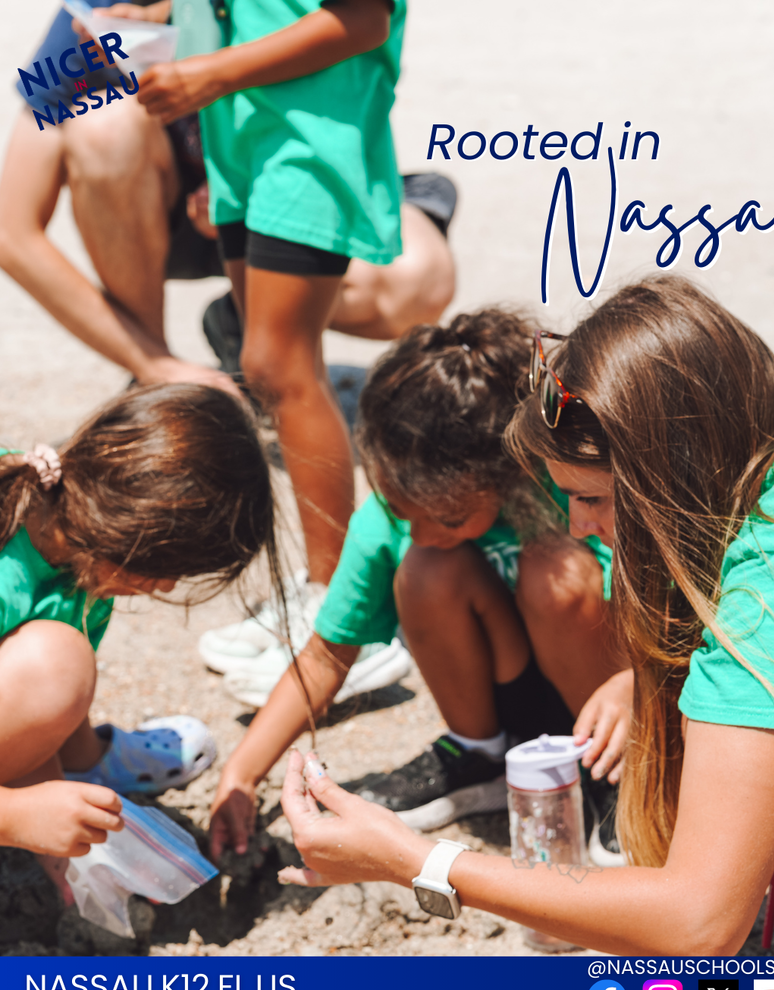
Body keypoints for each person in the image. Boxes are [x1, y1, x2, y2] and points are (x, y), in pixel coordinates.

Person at [276, 276, 774, 955]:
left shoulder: (767, 607)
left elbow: (697, 923)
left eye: (592, 496)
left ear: (673, 477)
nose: (578, 525)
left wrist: (417, 860)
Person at [209, 310, 628, 861]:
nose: (422, 530)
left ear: (506, 471)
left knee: (557, 572)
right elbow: (326, 655)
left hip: (613, 697)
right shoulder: (397, 516)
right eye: (407, 512)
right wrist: (240, 774)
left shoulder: (571, 487)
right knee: (428, 567)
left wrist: (637, 692)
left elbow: (669, 617)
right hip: (512, 691)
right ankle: (479, 754)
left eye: (448, 516)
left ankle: (622, 777)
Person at [0, 3, 455, 405]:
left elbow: (362, 38)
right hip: (165, 220)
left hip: (286, 199)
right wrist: (154, 361)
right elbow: (10, 231)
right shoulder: (89, 18)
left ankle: (245, 322)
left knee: (418, 281)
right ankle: (154, 378)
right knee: (104, 129)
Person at [136, 0, 408, 589]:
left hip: (310, 138)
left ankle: (337, 610)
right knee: (278, 371)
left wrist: (211, 72)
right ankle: (322, 598)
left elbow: (364, 20)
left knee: (275, 365)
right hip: (241, 135)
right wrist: (158, 14)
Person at [0, 383, 284, 890]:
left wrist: (61, 849)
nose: (167, 586)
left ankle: (87, 767)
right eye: (167, 569)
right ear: (134, 529)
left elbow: (23, 702)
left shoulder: (77, 544)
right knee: (57, 662)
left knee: (57, 665)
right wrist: (14, 815)